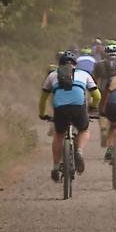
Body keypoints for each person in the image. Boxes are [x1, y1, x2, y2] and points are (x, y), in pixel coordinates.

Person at [39, 51, 101, 182]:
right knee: (84, 130)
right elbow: (97, 96)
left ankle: (56, 166)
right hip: (78, 107)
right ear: (75, 64)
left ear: (59, 64)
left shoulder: (52, 75)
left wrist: (42, 113)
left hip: (60, 108)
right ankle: (79, 151)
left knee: (59, 134)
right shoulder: (84, 74)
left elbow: (43, 99)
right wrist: (92, 107)